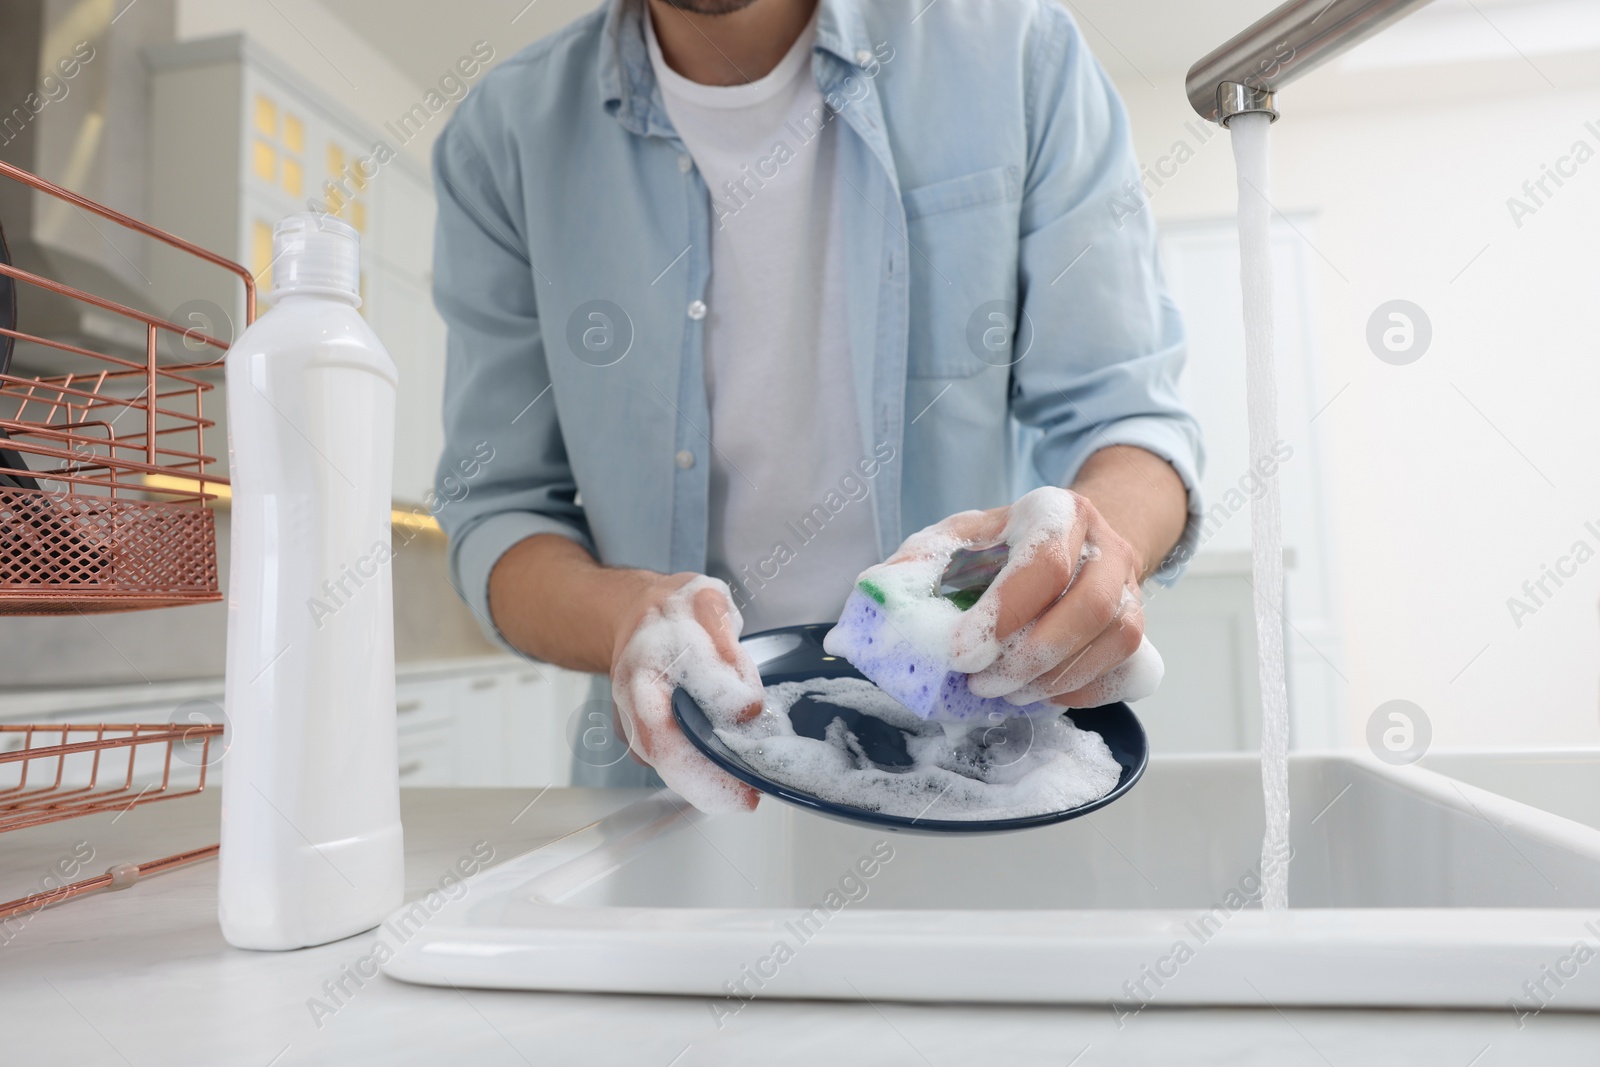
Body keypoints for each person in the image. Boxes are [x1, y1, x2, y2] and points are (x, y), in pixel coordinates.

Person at [430, 0, 1202, 809]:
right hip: (671, 802)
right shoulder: (504, 139)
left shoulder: (1019, 51)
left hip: (984, 780)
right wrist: (626, 615)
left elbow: (1130, 417)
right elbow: (499, 514)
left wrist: (1094, 546)